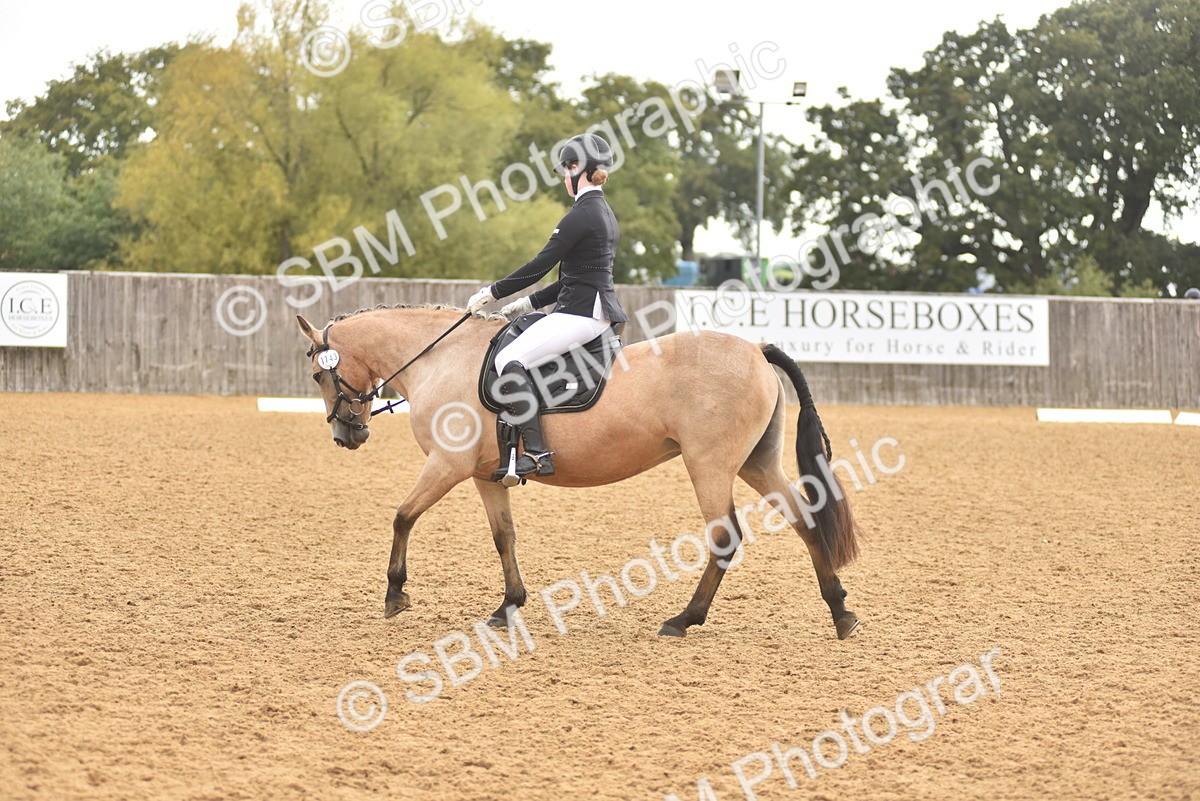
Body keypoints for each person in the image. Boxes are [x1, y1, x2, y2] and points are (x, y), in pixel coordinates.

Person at [467, 133, 628, 484]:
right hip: (590, 308)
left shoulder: (581, 215)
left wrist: (491, 292)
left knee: (507, 361)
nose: (564, 179)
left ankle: (537, 453)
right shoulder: (604, 213)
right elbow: (573, 277)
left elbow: (539, 266)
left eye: (566, 170)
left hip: (581, 314)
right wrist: (527, 302)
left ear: (577, 168)